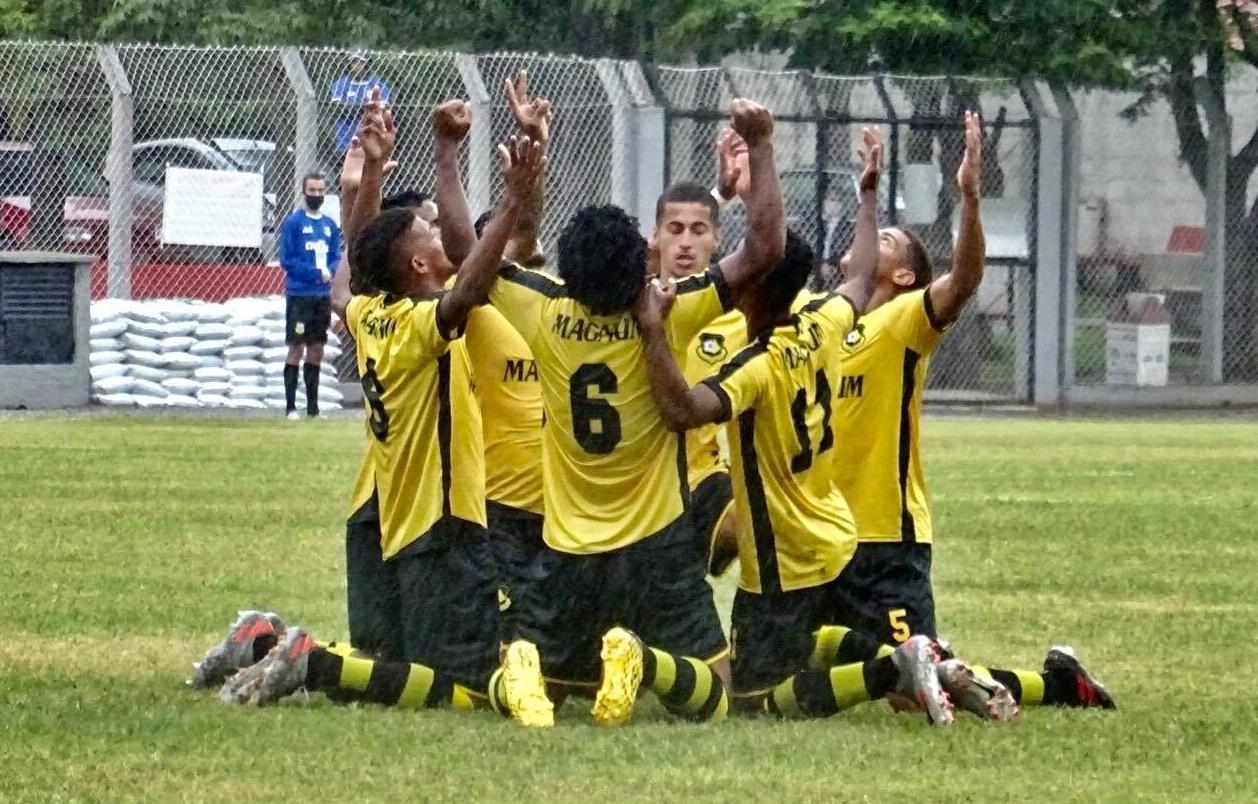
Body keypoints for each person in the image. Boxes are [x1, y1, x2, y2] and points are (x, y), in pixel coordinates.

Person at [635, 122, 984, 723]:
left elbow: (684, 410)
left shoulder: (760, 365)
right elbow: (849, 272)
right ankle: (906, 657)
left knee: (750, 698)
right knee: (800, 643)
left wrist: (650, 334)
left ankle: (892, 665)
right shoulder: (824, 319)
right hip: (834, 532)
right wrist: (865, 198)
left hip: (790, 555)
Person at [482, 98, 785, 726]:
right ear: (643, 254)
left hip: (566, 542)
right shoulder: (671, 311)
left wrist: (518, 194)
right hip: (656, 538)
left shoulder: (545, 310)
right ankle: (644, 663)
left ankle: (515, 666)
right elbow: (764, 249)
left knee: (554, 684)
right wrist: (760, 143)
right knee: (715, 693)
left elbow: (477, 253)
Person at [815, 113, 1114, 711]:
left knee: (910, 691)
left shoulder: (902, 322)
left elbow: (966, 278)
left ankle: (1057, 686)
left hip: (886, 539)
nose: (871, 240)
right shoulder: (824, 319)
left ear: (903, 275)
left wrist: (970, 199)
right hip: (822, 536)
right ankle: (1034, 679)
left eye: (891, 241)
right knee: (794, 657)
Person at [273, 91, 554, 725]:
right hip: (445, 519)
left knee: (389, 661)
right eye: (428, 228)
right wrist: (508, 198)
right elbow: (468, 288)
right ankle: (309, 661)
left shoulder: (371, 314)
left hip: (388, 513)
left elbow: (354, 274)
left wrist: (371, 174)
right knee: (465, 687)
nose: (438, 226)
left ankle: (272, 646)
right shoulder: (428, 321)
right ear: (424, 262)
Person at [428, 72, 551, 643]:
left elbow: (524, 225)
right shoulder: (476, 306)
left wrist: (534, 153)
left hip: (563, 499)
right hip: (499, 499)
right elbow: (461, 246)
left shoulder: (553, 299)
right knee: (506, 632)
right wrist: (447, 154)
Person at [277, 171, 342, 420]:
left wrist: (331, 271)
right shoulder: (293, 223)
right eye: (312, 190)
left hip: (321, 297)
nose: (316, 195)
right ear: (304, 192)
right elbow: (287, 260)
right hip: (300, 295)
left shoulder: (329, 225)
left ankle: (313, 409)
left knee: (317, 349)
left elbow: (336, 256)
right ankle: (291, 407)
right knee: (296, 347)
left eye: (320, 191)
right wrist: (315, 272)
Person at [331, 51, 392, 155]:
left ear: (367, 64)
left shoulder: (377, 83)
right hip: (346, 137)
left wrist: (353, 107)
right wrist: (365, 107)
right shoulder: (341, 84)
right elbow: (338, 108)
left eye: (361, 62)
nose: (357, 65)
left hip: (371, 135)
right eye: (354, 62)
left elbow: (384, 107)